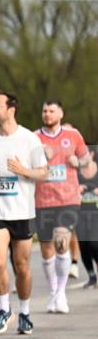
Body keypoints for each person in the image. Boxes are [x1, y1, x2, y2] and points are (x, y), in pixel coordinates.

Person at [0, 91, 48, 335]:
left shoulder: (30, 139)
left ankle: (25, 313)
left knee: (22, 265)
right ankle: (4, 308)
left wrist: (22, 170)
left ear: (11, 109)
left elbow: (43, 173)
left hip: (23, 210)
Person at [34, 101, 97, 313]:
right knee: (46, 249)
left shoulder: (73, 135)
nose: (47, 114)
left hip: (68, 199)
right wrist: (39, 156)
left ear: (60, 113)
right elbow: (23, 164)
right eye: (44, 111)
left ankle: (61, 293)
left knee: (61, 241)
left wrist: (77, 162)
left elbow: (86, 160)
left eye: (51, 111)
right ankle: (53, 291)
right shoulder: (34, 138)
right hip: (41, 200)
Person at [78, 145, 98, 288]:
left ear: (91, 154)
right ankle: (91, 275)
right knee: (83, 245)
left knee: (93, 242)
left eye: (83, 154)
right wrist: (75, 189)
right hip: (79, 212)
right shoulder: (76, 172)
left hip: (96, 212)